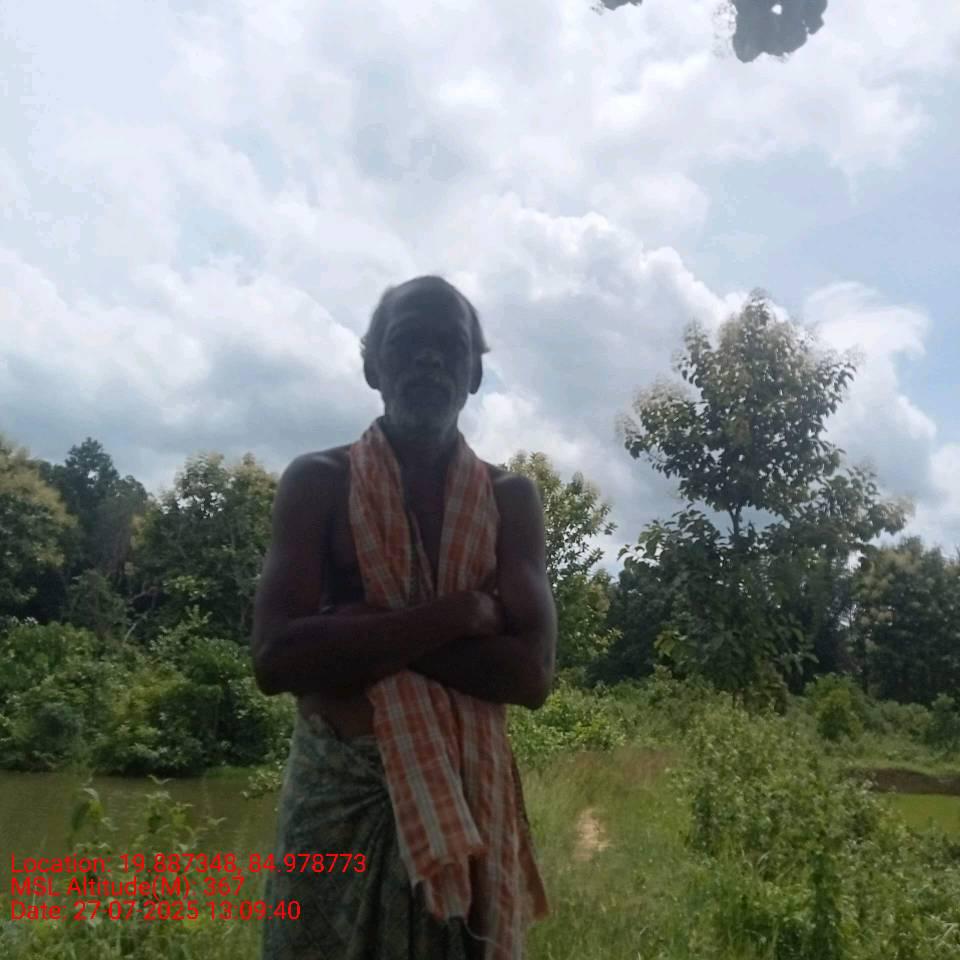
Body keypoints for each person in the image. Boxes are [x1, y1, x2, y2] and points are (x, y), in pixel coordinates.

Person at [252, 275, 556, 959]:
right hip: (339, 806)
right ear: (372, 365)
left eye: (450, 345)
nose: (429, 358)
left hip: (468, 801)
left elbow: (531, 676)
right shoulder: (318, 482)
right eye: (407, 341)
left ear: (475, 374)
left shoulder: (511, 499)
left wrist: (356, 628)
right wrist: (460, 613)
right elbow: (275, 659)